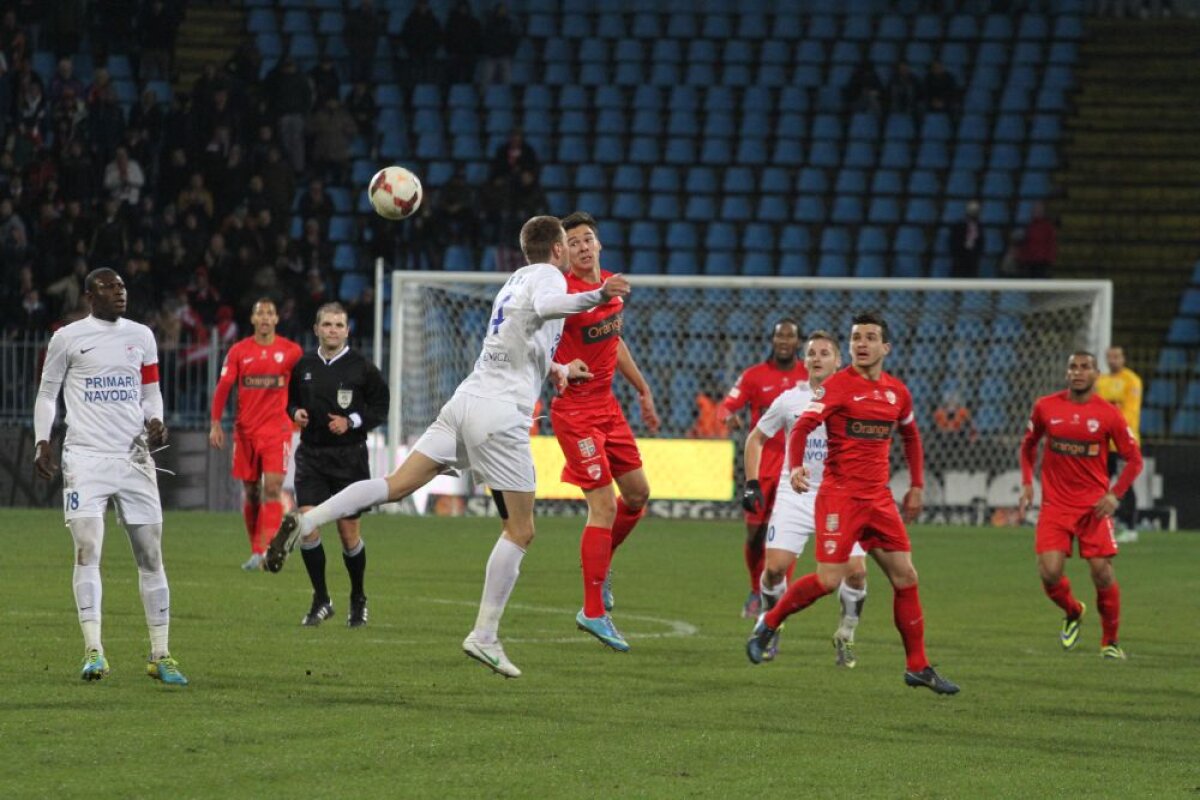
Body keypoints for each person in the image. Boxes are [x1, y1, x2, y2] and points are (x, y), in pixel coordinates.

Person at [264, 216, 631, 678]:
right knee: (520, 531)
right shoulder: (548, 277)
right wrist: (599, 293)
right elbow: (554, 302)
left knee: (395, 485)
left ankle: (309, 518)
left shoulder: (513, 281)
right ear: (557, 249)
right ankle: (484, 635)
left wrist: (558, 371)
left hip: (466, 399)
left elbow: (521, 336)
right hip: (499, 416)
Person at [745, 312, 959, 695]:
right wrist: (794, 467)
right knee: (829, 581)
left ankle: (918, 666)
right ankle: (771, 621)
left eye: (870, 337)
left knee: (906, 577)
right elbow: (805, 426)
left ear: (885, 347)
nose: (861, 343)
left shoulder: (897, 392)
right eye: (856, 337)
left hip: (879, 499)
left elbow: (911, 436)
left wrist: (917, 485)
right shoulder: (837, 387)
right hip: (840, 498)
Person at [32, 268, 187, 685]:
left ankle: (161, 654)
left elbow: (150, 390)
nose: (119, 292)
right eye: (109, 286)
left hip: (134, 457)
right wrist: (42, 441)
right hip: (85, 458)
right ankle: (94, 651)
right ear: (89, 295)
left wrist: (156, 418)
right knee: (87, 549)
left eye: (121, 286)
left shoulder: (142, 335)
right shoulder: (67, 337)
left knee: (151, 556)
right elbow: (47, 394)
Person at [552, 211, 659, 652]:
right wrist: (557, 369)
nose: (581, 246)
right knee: (603, 507)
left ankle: (602, 562)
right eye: (572, 241)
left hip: (608, 408)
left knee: (636, 495)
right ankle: (592, 611)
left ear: (599, 246)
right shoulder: (564, 294)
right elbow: (541, 337)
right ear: (563, 251)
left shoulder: (612, 288)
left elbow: (615, 340)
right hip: (575, 412)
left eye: (587, 239)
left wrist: (643, 389)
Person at [743, 330, 868, 666]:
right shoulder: (790, 400)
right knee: (774, 570)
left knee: (856, 572)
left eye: (825, 353)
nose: (816, 358)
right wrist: (752, 483)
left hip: (841, 495)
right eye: (811, 353)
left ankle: (847, 633)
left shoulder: (856, 397)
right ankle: (772, 626)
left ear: (839, 360)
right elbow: (755, 439)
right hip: (795, 493)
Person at [1019, 352, 1143, 660]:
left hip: (1093, 508)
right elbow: (1028, 445)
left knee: (1102, 573)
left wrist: (1114, 494)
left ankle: (1110, 642)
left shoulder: (1109, 414)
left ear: (1096, 374)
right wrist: (1026, 483)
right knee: (1049, 573)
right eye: (1072, 366)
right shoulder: (1046, 406)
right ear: (1066, 372)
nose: (1077, 372)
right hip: (1055, 505)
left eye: (1084, 367)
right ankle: (1073, 612)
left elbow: (1134, 459)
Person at [286, 303, 389, 628]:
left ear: (347, 330)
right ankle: (321, 599)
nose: (332, 329)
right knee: (307, 526)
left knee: (348, 535)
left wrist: (352, 421)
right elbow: (291, 401)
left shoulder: (362, 367)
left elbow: (380, 407)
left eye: (339, 325)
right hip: (312, 456)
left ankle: (358, 597)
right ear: (316, 329)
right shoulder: (303, 364)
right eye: (327, 324)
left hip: (349, 458)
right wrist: (295, 414)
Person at [720, 319, 807, 618]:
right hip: (762, 466)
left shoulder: (808, 378)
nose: (784, 341)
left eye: (790, 336)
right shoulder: (754, 376)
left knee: (786, 533)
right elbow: (727, 406)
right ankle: (756, 589)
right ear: (772, 340)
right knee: (755, 534)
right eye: (779, 335)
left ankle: (777, 592)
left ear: (798, 342)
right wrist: (729, 416)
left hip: (796, 468)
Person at [209, 298, 303, 570]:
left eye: (270, 313)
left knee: (272, 488)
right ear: (253, 320)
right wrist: (216, 423)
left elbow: (303, 386)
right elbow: (224, 385)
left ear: (276, 320)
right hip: (246, 433)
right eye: (259, 313)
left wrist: (302, 414)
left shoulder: (291, 351)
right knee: (251, 492)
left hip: (277, 431)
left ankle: (270, 550)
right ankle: (256, 549)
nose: (264, 318)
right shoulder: (239, 351)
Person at [1095, 346, 1143, 536]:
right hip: (1103, 444)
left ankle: (1130, 528)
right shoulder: (1101, 382)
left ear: (1123, 358)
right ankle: (1097, 525)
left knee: (1125, 485)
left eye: (1116, 356)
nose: (1112, 360)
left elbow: (1130, 414)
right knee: (1097, 484)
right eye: (1109, 357)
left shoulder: (1132, 381)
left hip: (1124, 443)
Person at [1019, 202, 1058, 279]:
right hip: (1030, 261)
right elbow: (1025, 244)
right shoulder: (1029, 226)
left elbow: (1051, 243)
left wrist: (1050, 259)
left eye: (1039, 210)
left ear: (1043, 212)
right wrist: (1023, 258)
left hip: (1043, 261)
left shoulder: (1048, 227)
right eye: (1035, 210)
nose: (1036, 212)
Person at [949, 200, 985, 278]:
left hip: (973, 258)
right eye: (972, 211)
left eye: (975, 211)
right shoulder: (959, 225)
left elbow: (981, 241)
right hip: (960, 257)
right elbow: (953, 241)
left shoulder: (979, 226)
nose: (974, 213)